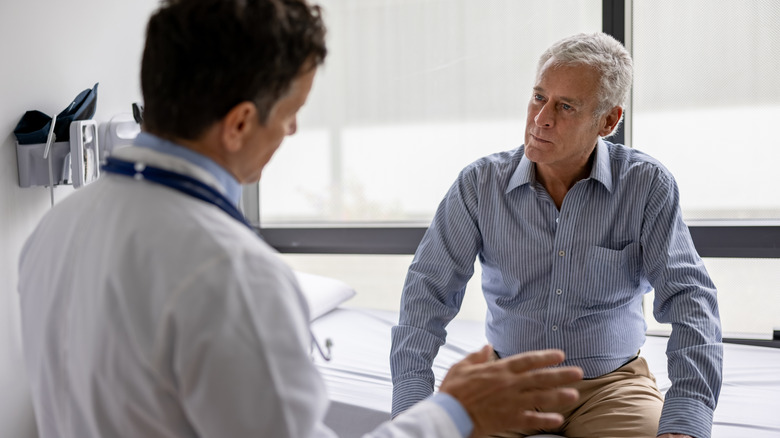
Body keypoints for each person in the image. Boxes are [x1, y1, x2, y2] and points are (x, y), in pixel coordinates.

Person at [17, 1, 585, 437]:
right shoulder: (232, 273)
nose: (290, 132)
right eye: (290, 115)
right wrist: (455, 412)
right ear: (239, 123)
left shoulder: (53, 232)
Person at [390, 32, 723, 438]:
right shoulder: (478, 185)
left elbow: (690, 299)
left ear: (608, 121)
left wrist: (687, 415)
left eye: (566, 106)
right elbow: (427, 294)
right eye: (538, 97)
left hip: (612, 386)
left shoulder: (646, 185)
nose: (541, 118)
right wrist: (411, 402)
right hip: (507, 382)